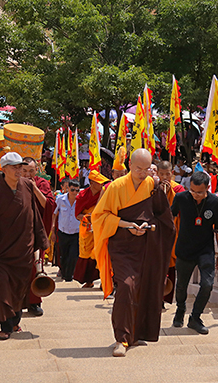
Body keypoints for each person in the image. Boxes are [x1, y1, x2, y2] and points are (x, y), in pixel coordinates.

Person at [93, 149, 176, 357]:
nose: (142, 172)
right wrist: (125, 224)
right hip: (122, 246)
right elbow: (100, 216)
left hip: (146, 246)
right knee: (127, 286)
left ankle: (136, 334)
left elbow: (163, 218)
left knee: (143, 288)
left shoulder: (153, 186)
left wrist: (147, 226)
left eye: (146, 168)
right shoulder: (116, 187)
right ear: (130, 165)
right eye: (138, 168)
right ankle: (121, 338)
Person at [0, 152, 49, 340]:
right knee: (1, 286)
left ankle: (14, 322)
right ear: (3, 169)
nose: (18, 170)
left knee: (19, 288)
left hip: (23, 249)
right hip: (1, 252)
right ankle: (5, 325)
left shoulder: (27, 186)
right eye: (14, 167)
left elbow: (34, 215)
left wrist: (40, 242)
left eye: (19, 167)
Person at [171, 171, 218, 335]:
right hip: (184, 249)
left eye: (200, 192)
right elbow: (169, 217)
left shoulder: (215, 202)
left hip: (205, 250)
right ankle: (180, 310)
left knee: (207, 284)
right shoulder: (181, 198)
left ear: (208, 188)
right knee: (181, 286)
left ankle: (195, 318)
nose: (195, 195)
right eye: (193, 191)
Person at [21, 157, 56, 316]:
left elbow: (48, 205)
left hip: (37, 231)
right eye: (25, 171)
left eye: (31, 171)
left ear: (37, 171)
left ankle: (34, 303)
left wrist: (34, 188)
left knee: (36, 267)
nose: (28, 174)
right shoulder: (14, 183)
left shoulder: (41, 183)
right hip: (18, 232)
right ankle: (17, 302)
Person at [73, 170, 109, 288]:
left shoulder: (104, 194)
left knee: (101, 252)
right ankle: (88, 280)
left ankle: (104, 281)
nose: (102, 185)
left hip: (100, 228)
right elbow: (77, 215)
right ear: (92, 183)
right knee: (86, 253)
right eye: (99, 183)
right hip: (87, 229)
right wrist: (89, 218)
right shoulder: (82, 196)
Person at [156, 161, 186, 305]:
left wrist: (169, 193)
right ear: (157, 174)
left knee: (170, 264)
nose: (165, 177)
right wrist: (160, 193)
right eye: (161, 174)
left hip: (173, 232)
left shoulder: (178, 188)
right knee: (155, 264)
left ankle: (165, 297)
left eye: (167, 174)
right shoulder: (152, 187)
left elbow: (182, 208)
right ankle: (155, 297)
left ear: (172, 173)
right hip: (156, 232)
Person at [52, 179, 81, 281]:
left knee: (73, 255)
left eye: (77, 190)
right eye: (72, 190)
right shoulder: (60, 199)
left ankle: (69, 276)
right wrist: (53, 230)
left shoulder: (80, 200)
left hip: (76, 233)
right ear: (68, 188)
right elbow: (54, 214)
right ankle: (64, 273)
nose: (74, 193)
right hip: (63, 232)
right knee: (63, 256)